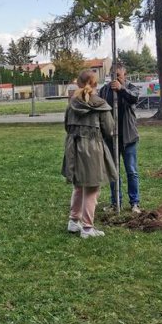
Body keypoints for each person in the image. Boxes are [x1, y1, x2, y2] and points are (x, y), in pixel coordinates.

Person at [62, 69, 117, 238]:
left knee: (78, 185)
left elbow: (66, 126)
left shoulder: (72, 104)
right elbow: (109, 129)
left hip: (73, 146)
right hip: (92, 147)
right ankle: (87, 228)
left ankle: (73, 221)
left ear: (78, 83)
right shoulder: (100, 104)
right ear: (95, 84)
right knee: (92, 187)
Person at [99, 65, 141, 213]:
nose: (115, 78)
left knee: (131, 171)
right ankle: (116, 202)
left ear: (125, 74)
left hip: (128, 137)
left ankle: (134, 203)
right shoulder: (104, 91)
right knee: (113, 171)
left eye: (118, 75)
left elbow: (134, 99)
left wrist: (121, 89)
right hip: (111, 137)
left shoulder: (131, 87)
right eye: (112, 75)